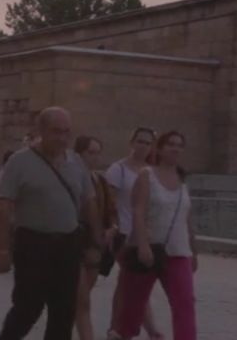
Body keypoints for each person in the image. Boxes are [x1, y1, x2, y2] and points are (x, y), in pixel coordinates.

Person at [0, 107, 102, 340]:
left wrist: (96, 242)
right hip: (33, 243)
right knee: (27, 308)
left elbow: (89, 203)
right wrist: (2, 249)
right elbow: (3, 207)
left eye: (66, 132)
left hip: (68, 244)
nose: (62, 138)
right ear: (40, 130)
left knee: (64, 312)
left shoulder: (76, 163)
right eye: (56, 132)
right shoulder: (19, 162)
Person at [117, 131, 197, 340]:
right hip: (149, 250)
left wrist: (193, 251)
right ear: (159, 148)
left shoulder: (182, 179)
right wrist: (142, 245)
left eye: (179, 145)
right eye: (170, 144)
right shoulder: (147, 175)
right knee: (134, 304)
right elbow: (139, 211)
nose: (175, 148)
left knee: (185, 303)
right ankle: (122, 334)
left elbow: (185, 218)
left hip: (179, 252)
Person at [106, 127, 163, 340]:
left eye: (148, 143)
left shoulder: (152, 171)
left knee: (134, 283)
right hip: (124, 235)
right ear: (131, 142)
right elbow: (110, 203)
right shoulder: (117, 170)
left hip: (147, 237)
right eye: (140, 141)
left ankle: (123, 329)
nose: (143, 146)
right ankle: (143, 330)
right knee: (132, 282)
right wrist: (112, 226)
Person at [74, 136, 118, 340]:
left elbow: (111, 211)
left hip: (95, 246)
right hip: (74, 244)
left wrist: (112, 228)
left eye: (97, 152)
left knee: (80, 299)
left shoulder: (99, 180)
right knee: (82, 301)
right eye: (90, 152)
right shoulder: (71, 178)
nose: (94, 157)